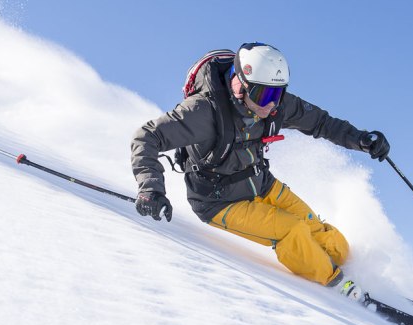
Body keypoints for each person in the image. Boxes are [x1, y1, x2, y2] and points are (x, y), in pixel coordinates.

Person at [131, 42, 390, 300]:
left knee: (329, 240)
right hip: (219, 200)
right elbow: (147, 136)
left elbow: (321, 122)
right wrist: (150, 189)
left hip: (261, 183)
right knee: (292, 231)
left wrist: (361, 139)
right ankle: (339, 288)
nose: (271, 104)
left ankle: (344, 267)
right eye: (263, 95)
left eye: (277, 94)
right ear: (240, 85)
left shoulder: (276, 105)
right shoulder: (204, 111)